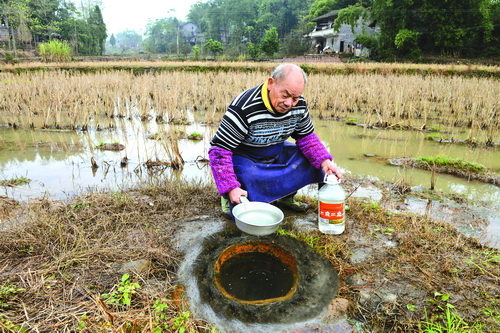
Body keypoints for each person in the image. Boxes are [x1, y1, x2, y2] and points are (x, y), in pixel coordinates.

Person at [208, 63, 342, 218]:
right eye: (285, 95)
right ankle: (230, 197)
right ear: (271, 83)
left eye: (295, 98)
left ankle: (286, 197)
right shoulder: (244, 107)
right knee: (246, 174)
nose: (289, 104)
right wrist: (230, 187)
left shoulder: (299, 105)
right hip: (245, 155)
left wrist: (325, 162)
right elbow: (219, 149)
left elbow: (306, 137)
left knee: (315, 160)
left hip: (276, 149)